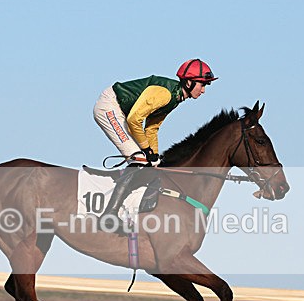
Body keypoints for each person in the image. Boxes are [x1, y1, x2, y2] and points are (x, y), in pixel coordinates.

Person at [92, 59, 218, 232]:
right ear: (188, 82)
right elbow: (134, 120)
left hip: (122, 112)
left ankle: (125, 210)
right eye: (201, 85)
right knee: (140, 160)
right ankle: (109, 215)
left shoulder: (176, 98)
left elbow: (152, 128)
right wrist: (147, 151)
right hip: (109, 108)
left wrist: (155, 158)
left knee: (148, 164)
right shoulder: (166, 95)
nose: (203, 90)